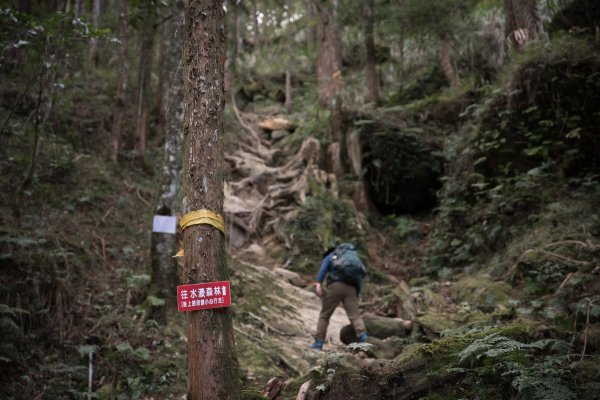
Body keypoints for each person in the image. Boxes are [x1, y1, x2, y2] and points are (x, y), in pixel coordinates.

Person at [309, 243, 368, 350]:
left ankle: (318, 343)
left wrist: (318, 283)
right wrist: (358, 293)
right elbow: (359, 277)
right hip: (352, 289)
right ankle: (364, 339)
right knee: (355, 316)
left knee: (325, 315)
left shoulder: (332, 255)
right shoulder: (354, 258)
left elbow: (323, 268)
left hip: (336, 286)